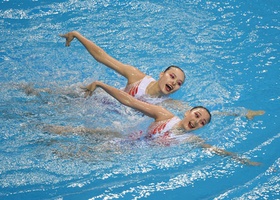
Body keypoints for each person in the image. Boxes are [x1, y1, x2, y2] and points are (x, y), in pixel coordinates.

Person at [59, 31, 265, 120]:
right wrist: (77, 35)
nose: (174, 83)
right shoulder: (136, 76)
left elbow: (201, 114)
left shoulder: (167, 106)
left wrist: (241, 113)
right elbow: (103, 57)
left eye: (179, 83)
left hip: (113, 118)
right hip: (99, 101)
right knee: (46, 94)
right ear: (162, 74)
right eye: (172, 76)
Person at [47, 81, 261, 166]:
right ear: (188, 112)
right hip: (126, 137)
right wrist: (102, 85)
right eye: (196, 116)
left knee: (75, 155)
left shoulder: (192, 138)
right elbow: (130, 101)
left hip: (127, 152)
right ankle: (43, 131)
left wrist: (241, 159)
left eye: (202, 122)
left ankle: (48, 150)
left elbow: (216, 150)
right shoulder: (165, 115)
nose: (197, 121)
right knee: (79, 131)